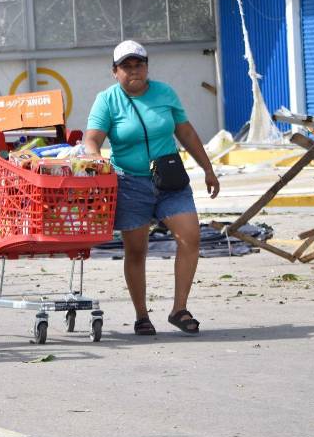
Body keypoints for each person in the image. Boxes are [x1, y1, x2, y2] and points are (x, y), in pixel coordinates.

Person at [84, 40, 220, 336]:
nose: (134, 71)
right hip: (130, 183)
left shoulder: (165, 93)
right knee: (136, 250)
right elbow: (91, 138)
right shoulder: (107, 100)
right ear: (115, 71)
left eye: (139, 65)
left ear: (146, 67)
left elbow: (185, 131)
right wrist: (95, 157)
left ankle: (179, 309)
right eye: (126, 66)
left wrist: (208, 169)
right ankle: (141, 315)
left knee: (191, 237)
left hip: (170, 179)